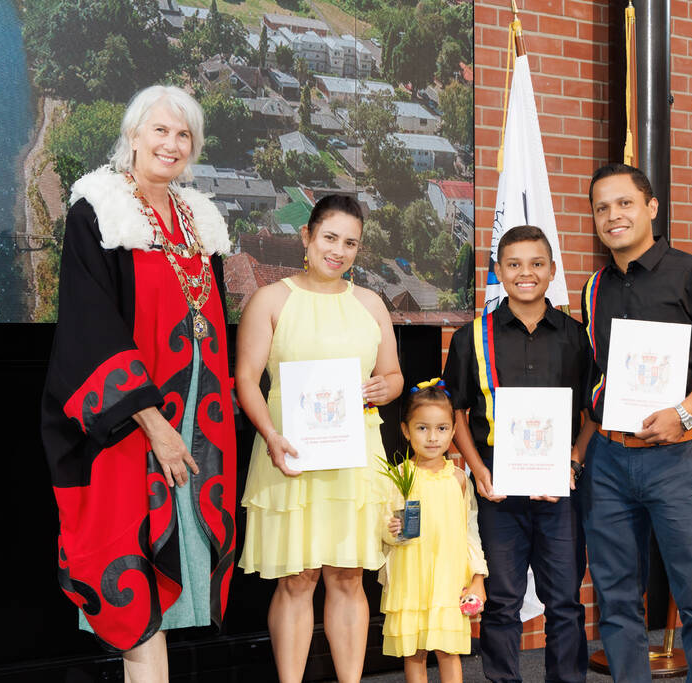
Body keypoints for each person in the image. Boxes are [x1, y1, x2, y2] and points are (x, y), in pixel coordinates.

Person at [41, 85, 236, 682]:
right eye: (160, 130)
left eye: (183, 135)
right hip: (129, 428)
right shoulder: (98, 212)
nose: (171, 144)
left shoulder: (200, 220)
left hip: (198, 426)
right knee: (138, 591)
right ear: (133, 135)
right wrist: (154, 426)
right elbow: (90, 327)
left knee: (170, 595)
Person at [577, 163, 692, 682]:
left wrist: (684, 412)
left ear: (651, 207)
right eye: (602, 208)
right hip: (609, 461)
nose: (613, 215)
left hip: (677, 459)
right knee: (615, 598)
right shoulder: (593, 288)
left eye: (624, 203)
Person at [236, 194, 403, 682]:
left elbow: (393, 375)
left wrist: (385, 387)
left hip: (355, 460)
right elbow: (246, 379)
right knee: (297, 578)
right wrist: (270, 435)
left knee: (349, 577)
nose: (339, 251)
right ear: (306, 236)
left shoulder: (370, 303)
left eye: (350, 243)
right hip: (289, 454)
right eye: (330, 237)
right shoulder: (271, 300)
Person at [443, 225, 593, 683]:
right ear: (499, 271)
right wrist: (477, 469)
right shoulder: (473, 337)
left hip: (559, 489)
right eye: (514, 264)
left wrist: (573, 460)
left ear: (552, 271)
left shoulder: (576, 336)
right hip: (498, 490)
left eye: (536, 264)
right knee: (503, 601)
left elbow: (594, 409)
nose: (525, 273)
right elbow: (455, 411)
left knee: (564, 600)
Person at [379, 379, 488, 683]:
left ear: (453, 432)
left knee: (448, 650)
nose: (432, 437)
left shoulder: (459, 479)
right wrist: (393, 529)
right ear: (406, 430)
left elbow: (470, 532)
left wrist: (478, 577)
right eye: (422, 428)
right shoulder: (399, 476)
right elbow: (386, 529)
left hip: (448, 580)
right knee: (415, 652)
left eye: (441, 428)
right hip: (411, 578)